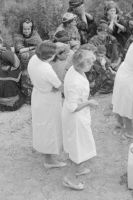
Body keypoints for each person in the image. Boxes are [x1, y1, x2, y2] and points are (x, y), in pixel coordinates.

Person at [61, 49, 98, 190]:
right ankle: (69, 178)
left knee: (80, 144)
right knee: (78, 147)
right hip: (75, 117)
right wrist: (89, 102)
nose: (92, 65)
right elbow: (72, 107)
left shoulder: (74, 68)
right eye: (90, 63)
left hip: (78, 114)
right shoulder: (75, 83)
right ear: (83, 65)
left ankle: (79, 168)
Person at [27, 41, 65, 168]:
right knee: (51, 128)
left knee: (41, 126)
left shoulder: (33, 58)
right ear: (49, 57)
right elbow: (60, 87)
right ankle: (49, 160)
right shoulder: (46, 69)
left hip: (38, 95)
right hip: (49, 100)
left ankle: (41, 148)